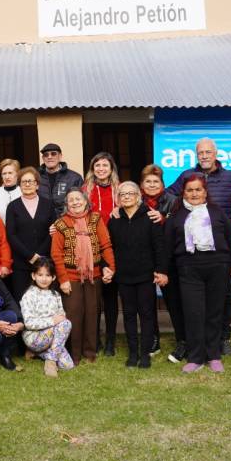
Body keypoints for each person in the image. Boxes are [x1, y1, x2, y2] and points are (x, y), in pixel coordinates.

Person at [167, 137, 231, 355]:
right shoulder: (187, 176)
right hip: (192, 252)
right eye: (200, 153)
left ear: (215, 154)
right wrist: (158, 212)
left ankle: (223, 338)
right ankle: (191, 341)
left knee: (223, 297)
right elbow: (166, 196)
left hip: (220, 249)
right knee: (193, 301)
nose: (204, 156)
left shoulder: (230, 177)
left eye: (208, 152)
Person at [164, 173, 231, 374]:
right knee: (193, 313)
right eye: (190, 190)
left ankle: (213, 355)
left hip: (218, 267)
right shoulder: (177, 216)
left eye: (198, 189)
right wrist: (162, 270)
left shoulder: (217, 212)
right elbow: (166, 246)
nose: (194, 193)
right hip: (189, 270)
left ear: (205, 192)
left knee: (214, 313)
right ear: (183, 193)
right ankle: (196, 357)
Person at [106, 181, 168, 369]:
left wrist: (161, 270)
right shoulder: (114, 219)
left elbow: (159, 246)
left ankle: (145, 354)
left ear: (138, 196)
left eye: (130, 193)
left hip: (145, 275)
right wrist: (109, 268)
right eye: (122, 194)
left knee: (147, 315)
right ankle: (133, 353)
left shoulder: (150, 217)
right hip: (124, 277)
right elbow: (110, 247)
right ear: (118, 198)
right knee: (129, 315)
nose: (126, 197)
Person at [50, 188, 115, 365]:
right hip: (71, 277)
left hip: (94, 275)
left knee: (92, 313)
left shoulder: (96, 219)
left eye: (78, 199)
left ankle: (90, 352)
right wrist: (63, 279)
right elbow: (56, 254)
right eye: (71, 200)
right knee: (74, 315)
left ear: (86, 201)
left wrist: (111, 267)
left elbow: (106, 246)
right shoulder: (60, 224)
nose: (75, 202)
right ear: (66, 204)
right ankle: (74, 354)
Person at [139, 164, 181, 361]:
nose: (152, 184)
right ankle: (152, 339)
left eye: (156, 181)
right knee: (147, 304)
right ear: (141, 184)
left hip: (168, 260)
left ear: (162, 184)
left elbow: (179, 228)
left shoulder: (173, 202)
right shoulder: (135, 201)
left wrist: (163, 218)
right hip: (144, 260)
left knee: (174, 302)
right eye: (148, 181)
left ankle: (183, 339)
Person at [84, 151, 121, 356]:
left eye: (105, 166)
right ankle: (95, 338)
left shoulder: (119, 189)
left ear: (111, 168)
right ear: (92, 169)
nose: (101, 169)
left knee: (111, 297)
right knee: (95, 298)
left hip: (114, 248)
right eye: (97, 166)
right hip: (91, 249)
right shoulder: (85, 189)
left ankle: (111, 341)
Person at [5, 167, 56, 303]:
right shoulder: (12, 206)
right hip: (21, 264)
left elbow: (53, 232)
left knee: (44, 302)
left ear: (37, 184)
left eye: (31, 181)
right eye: (23, 182)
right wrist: (30, 256)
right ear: (19, 185)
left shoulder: (48, 205)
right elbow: (11, 235)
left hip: (44, 263)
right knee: (22, 301)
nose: (27, 184)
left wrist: (39, 255)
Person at [19, 257, 73, 377]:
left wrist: (58, 320)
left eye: (48, 275)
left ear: (53, 277)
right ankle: (50, 362)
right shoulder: (29, 295)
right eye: (40, 274)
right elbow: (28, 323)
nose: (44, 279)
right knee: (66, 324)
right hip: (34, 337)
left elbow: (61, 315)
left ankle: (38, 354)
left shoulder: (56, 295)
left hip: (52, 336)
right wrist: (52, 320)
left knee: (68, 365)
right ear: (33, 276)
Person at [37, 143, 84, 215]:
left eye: (53, 154)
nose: (49, 157)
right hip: (42, 221)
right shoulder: (36, 177)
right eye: (46, 155)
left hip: (67, 221)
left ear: (60, 156)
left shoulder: (74, 178)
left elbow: (81, 203)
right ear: (43, 158)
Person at [0, 158, 22, 224]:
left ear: (17, 174)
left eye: (10, 173)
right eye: (4, 173)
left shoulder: (22, 191)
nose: (7, 177)